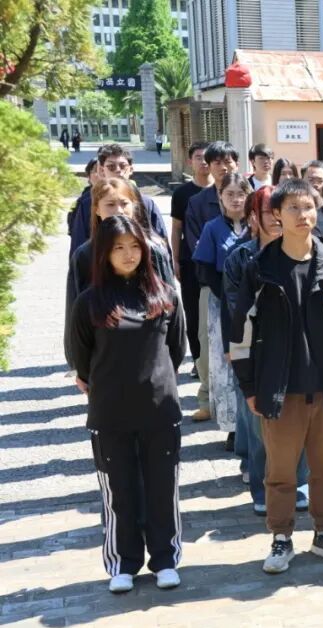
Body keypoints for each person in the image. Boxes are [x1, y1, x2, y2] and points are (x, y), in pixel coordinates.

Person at [230, 179, 323, 574]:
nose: (302, 215)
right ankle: (281, 537)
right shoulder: (261, 268)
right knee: (281, 472)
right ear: (276, 215)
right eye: (292, 208)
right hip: (280, 387)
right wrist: (249, 385)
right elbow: (241, 334)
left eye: (308, 207)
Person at [66, 215, 186, 593]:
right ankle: (123, 563)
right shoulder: (90, 302)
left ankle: (165, 559)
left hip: (159, 409)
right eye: (118, 247)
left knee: (162, 488)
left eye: (135, 246)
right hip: (110, 412)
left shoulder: (165, 296)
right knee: (119, 491)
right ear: (104, 253)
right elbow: (80, 357)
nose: (129, 254)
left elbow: (176, 349)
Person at [223, 186, 311, 515]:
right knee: (260, 422)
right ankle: (262, 486)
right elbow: (235, 309)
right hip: (258, 349)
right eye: (268, 213)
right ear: (255, 218)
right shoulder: (241, 259)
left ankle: (299, 481)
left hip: (299, 350)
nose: (276, 220)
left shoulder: (307, 252)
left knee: (300, 416)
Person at [65, 179, 176, 370]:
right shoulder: (84, 255)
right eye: (110, 204)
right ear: (96, 209)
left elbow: (172, 308)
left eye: (124, 203)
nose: (118, 210)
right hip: (105, 353)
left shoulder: (154, 250)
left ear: (134, 206)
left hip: (150, 350)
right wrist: (79, 365)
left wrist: (171, 361)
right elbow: (75, 311)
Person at [193, 172, 251, 446]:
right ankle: (232, 427)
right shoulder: (212, 228)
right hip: (221, 303)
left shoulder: (256, 226)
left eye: (241, 194)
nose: (236, 199)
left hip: (254, 302)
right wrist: (228, 296)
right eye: (230, 194)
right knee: (224, 364)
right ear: (220, 197)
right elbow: (204, 268)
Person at [185, 141, 240, 423]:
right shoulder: (198, 203)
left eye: (228, 161)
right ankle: (207, 399)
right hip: (213, 287)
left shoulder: (249, 200)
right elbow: (197, 247)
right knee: (209, 346)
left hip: (246, 291)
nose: (223, 166)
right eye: (217, 162)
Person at [69, 144, 169, 257]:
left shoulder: (146, 203)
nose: (118, 171)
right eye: (111, 167)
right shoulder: (87, 204)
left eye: (123, 166)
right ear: (101, 170)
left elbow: (162, 246)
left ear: (131, 169)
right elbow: (78, 249)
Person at [171, 142, 212, 377]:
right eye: (198, 157)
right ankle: (198, 360)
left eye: (207, 157)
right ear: (190, 162)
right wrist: (175, 259)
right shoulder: (182, 194)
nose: (203, 162)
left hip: (216, 262)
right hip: (190, 262)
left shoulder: (224, 190)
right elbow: (177, 229)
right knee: (194, 312)